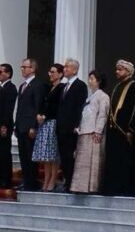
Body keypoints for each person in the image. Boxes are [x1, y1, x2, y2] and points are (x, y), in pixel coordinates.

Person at [102, 59, 135, 197]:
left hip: (124, 131)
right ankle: (111, 187)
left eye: (120, 69)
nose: (117, 72)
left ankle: (123, 187)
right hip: (113, 129)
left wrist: (130, 129)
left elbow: (134, 109)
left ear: (128, 71)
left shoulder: (134, 86)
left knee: (124, 160)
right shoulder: (117, 86)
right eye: (117, 69)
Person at [71, 70, 109, 194]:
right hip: (84, 131)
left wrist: (98, 131)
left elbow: (102, 115)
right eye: (89, 78)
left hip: (93, 132)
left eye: (92, 78)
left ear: (99, 81)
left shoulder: (103, 96)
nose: (89, 81)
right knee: (82, 162)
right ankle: (80, 187)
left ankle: (92, 187)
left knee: (92, 162)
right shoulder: (90, 96)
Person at [56, 58, 87, 191]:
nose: (65, 69)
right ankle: (66, 181)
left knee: (70, 156)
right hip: (61, 127)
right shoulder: (63, 86)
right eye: (64, 67)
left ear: (74, 70)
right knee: (63, 156)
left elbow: (79, 106)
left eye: (67, 67)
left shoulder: (80, 86)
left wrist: (76, 124)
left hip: (71, 128)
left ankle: (71, 183)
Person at [33, 63, 64, 192]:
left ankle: (53, 179)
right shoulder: (50, 88)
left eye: (53, 72)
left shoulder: (61, 88)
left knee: (53, 153)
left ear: (60, 74)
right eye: (50, 72)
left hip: (53, 122)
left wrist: (45, 115)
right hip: (45, 123)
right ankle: (46, 178)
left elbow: (57, 107)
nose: (50, 74)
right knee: (46, 155)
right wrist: (40, 115)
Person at [14, 58, 44, 191]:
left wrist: (34, 126)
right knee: (23, 156)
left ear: (32, 69)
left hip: (30, 126)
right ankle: (26, 180)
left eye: (24, 67)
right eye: (22, 67)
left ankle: (32, 182)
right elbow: (20, 107)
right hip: (21, 125)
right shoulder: (22, 86)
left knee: (30, 155)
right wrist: (16, 124)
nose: (22, 69)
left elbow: (37, 106)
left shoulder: (37, 85)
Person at [0, 63, 18, 188]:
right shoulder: (0, 88)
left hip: (3, 125)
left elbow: (8, 108)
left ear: (8, 73)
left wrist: (4, 125)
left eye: (1, 72)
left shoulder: (11, 88)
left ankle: (6, 179)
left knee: (4, 153)